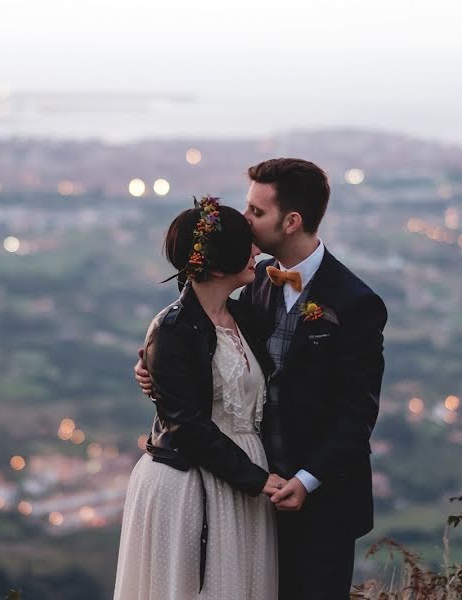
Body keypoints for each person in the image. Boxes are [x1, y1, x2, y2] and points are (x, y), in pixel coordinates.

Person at [135, 159, 387, 599]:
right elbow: (204, 338)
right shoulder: (248, 281)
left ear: (291, 222)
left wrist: (308, 479)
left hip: (321, 501)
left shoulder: (356, 303)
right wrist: (152, 367)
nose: (246, 221)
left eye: (256, 212)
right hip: (246, 493)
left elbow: (358, 412)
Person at [114, 196, 284, 600]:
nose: (258, 252)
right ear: (220, 262)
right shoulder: (172, 328)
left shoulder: (245, 318)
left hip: (242, 476)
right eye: (248, 246)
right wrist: (258, 480)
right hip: (191, 483)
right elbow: (187, 426)